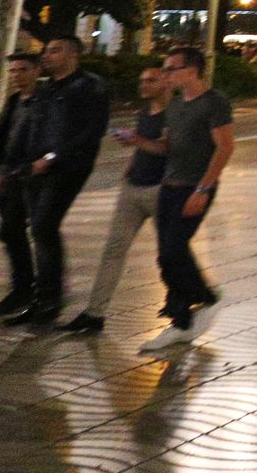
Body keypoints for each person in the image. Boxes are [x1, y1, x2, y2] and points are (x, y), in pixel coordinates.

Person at [0, 37, 110, 326]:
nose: (47, 55)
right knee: (39, 229)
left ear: (72, 55)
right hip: (36, 168)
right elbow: (33, 127)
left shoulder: (89, 86)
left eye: (54, 50)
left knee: (44, 226)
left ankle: (50, 301)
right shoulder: (46, 89)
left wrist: (53, 156)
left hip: (67, 168)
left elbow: (91, 131)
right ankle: (41, 299)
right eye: (47, 50)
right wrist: (17, 166)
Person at [138, 47, 235, 353]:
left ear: (191, 70)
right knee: (167, 256)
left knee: (172, 251)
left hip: (194, 188)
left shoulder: (214, 103)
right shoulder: (176, 106)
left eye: (171, 68)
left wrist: (203, 190)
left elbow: (224, 148)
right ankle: (180, 321)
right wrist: (138, 141)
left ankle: (206, 298)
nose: (166, 74)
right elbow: (167, 147)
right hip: (168, 187)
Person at [61, 66, 171, 334]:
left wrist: (137, 141)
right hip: (133, 189)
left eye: (150, 80)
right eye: (142, 79)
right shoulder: (145, 111)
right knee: (113, 250)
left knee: (171, 254)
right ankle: (94, 313)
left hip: (161, 191)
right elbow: (143, 145)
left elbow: (166, 147)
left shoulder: (175, 113)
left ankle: (187, 300)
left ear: (166, 82)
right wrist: (130, 164)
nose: (143, 85)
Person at [0, 53, 44, 317]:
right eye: (13, 71)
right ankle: (23, 288)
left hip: (28, 175)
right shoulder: (15, 101)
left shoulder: (46, 103)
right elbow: (3, 138)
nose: (17, 75)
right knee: (11, 231)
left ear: (37, 71)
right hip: (7, 173)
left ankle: (27, 289)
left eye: (23, 70)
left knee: (12, 230)